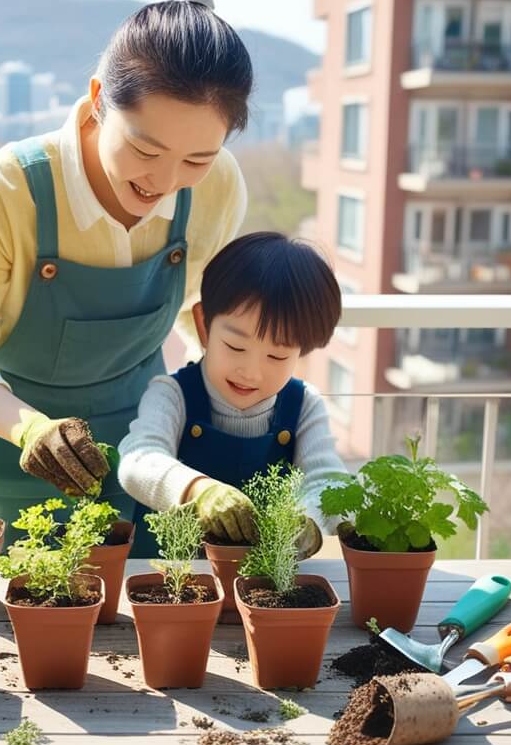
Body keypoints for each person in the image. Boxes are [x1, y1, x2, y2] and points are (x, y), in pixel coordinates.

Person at [0, 0, 253, 546]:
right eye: (146, 150)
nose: (164, 180)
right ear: (99, 98)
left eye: (197, 158)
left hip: (133, 461)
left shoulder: (219, 185)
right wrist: (30, 431)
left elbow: (204, 313)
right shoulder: (8, 186)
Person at [118, 232, 348, 557]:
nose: (251, 372)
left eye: (277, 357)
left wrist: (306, 518)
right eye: (235, 346)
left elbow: (328, 481)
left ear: (302, 351)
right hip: (169, 583)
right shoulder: (172, 394)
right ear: (203, 325)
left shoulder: (305, 405)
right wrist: (198, 491)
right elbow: (137, 461)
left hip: (264, 587)